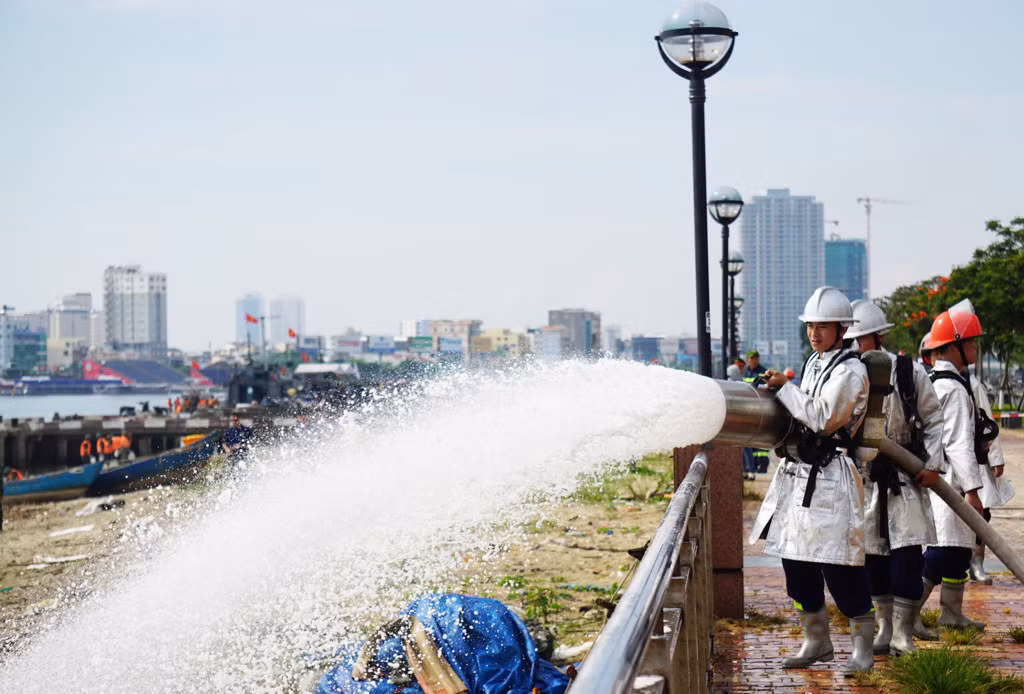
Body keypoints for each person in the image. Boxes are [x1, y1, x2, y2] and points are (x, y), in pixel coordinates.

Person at [749, 286, 874, 675]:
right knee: (795, 564)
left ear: (841, 329)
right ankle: (816, 640)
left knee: (840, 568)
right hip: (800, 475)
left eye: (823, 326)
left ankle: (863, 650)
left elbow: (822, 418)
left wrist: (785, 388)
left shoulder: (852, 372)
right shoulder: (815, 364)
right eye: (810, 326)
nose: (815, 333)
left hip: (833, 477)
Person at [846, 300, 944, 655]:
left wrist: (931, 465)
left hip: (904, 475)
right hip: (865, 477)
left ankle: (904, 632)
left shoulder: (908, 372)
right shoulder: (844, 374)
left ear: (878, 336)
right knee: (872, 557)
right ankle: (884, 629)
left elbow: (933, 419)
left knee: (906, 554)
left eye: (860, 339)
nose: (855, 347)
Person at [919, 305, 990, 632]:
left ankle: (951, 614)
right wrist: (974, 492)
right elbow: (959, 443)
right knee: (943, 554)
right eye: (972, 343)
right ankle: (905, 617)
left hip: (941, 482)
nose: (976, 349)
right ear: (953, 346)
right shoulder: (954, 389)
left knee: (957, 553)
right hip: (950, 484)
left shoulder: (938, 381)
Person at [743, 350, 769, 478]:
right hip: (749, 409)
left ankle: (762, 464)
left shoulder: (763, 372)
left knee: (761, 438)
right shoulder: (746, 372)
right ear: (748, 360)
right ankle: (752, 465)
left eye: (756, 358)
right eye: (752, 358)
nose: (754, 360)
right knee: (751, 439)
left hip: (761, 408)